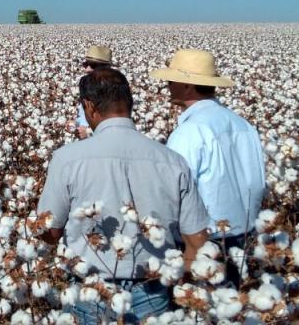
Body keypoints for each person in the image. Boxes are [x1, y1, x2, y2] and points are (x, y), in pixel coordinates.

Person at [37, 67, 210, 322]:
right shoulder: (173, 162)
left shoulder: (67, 159)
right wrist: (175, 281)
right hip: (154, 292)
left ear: (89, 107)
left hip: (90, 292)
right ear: (130, 104)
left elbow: (49, 232)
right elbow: (197, 242)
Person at [149, 49, 265, 287]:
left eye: (172, 80)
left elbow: (174, 192)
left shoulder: (190, 132)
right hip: (246, 237)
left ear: (188, 86)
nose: (168, 85)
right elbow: (258, 181)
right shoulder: (243, 124)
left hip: (205, 243)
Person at [74, 45, 115, 135]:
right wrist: (75, 124)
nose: (87, 69)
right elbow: (83, 117)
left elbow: (118, 126)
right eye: (85, 64)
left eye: (93, 65)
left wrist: (88, 132)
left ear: (107, 68)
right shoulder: (85, 84)